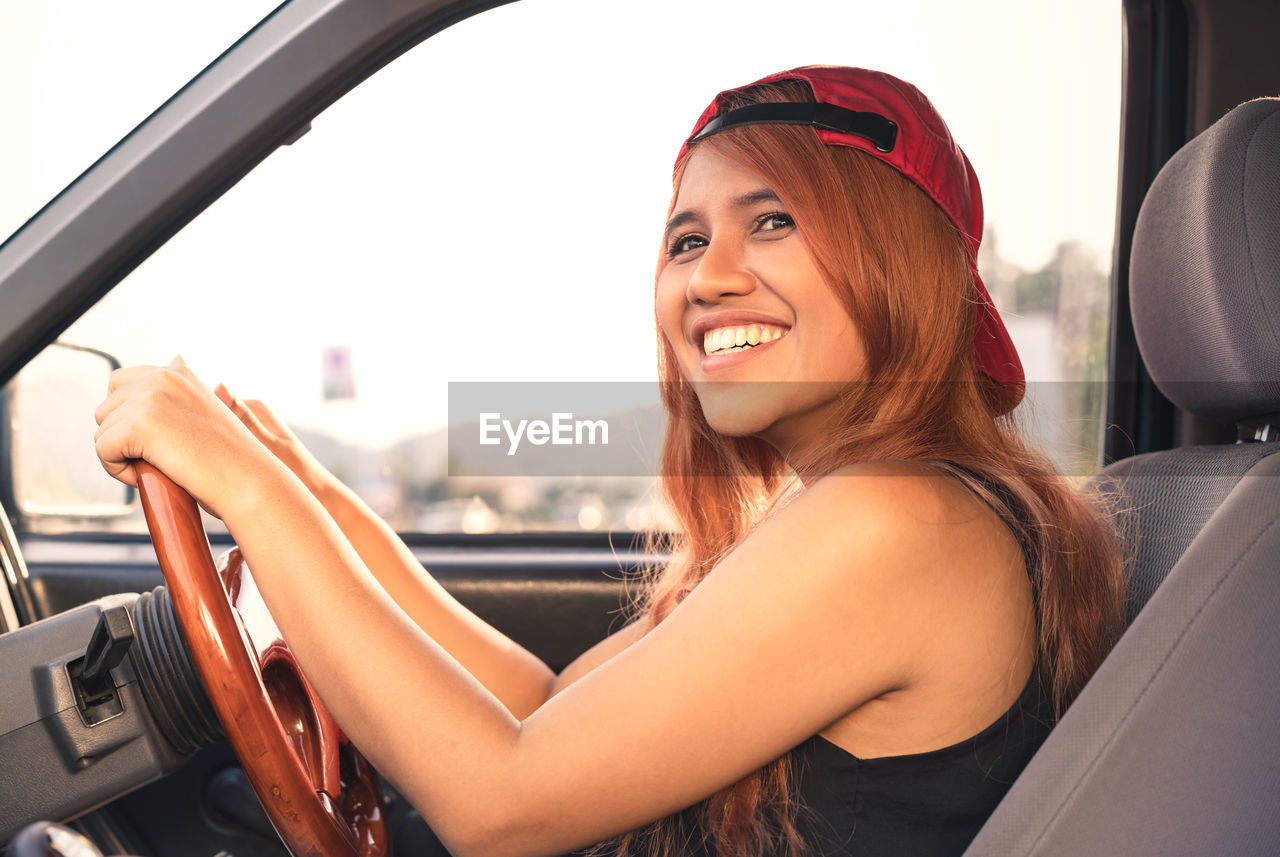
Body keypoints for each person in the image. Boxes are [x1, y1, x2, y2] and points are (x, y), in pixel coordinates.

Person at [93, 66, 1125, 857]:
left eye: (770, 221)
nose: (707, 277)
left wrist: (252, 489)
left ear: (901, 261)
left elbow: (499, 802)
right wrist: (311, 497)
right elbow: (544, 709)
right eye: (683, 240)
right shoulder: (870, 515)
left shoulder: (899, 522)